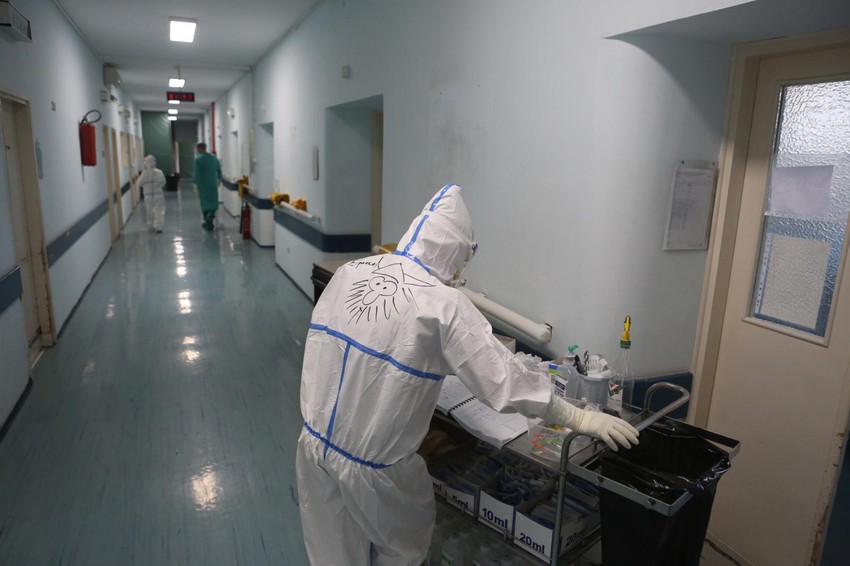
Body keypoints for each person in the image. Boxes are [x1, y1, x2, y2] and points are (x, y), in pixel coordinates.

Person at [295, 183, 639, 565]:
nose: (459, 273)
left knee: (332, 554)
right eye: (460, 263)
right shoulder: (442, 303)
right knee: (399, 552)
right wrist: (579, 417)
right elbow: (506, 379)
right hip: (376, 475)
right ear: (452, 252)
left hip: (313, 449)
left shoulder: (351, 271)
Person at [192, 142, 222, 231]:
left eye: (198, 149)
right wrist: (219, 179)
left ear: (200, 148)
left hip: (203, 184)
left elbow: (197, 173)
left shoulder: (198, 160)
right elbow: (219, 170)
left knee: (204, 201)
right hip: (212, 183)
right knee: (213, 201)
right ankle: (211, 215)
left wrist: (195, 183)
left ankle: (207, 219)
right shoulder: (214, 158)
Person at [137, 155, 166, 233]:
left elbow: (139, 183)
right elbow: (163, 182)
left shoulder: (144, 173)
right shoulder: (159, 172)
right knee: (159, 210)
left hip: (148, 195)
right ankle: (159, 227)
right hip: (158, 194)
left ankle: (151, 226)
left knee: (150, 211)